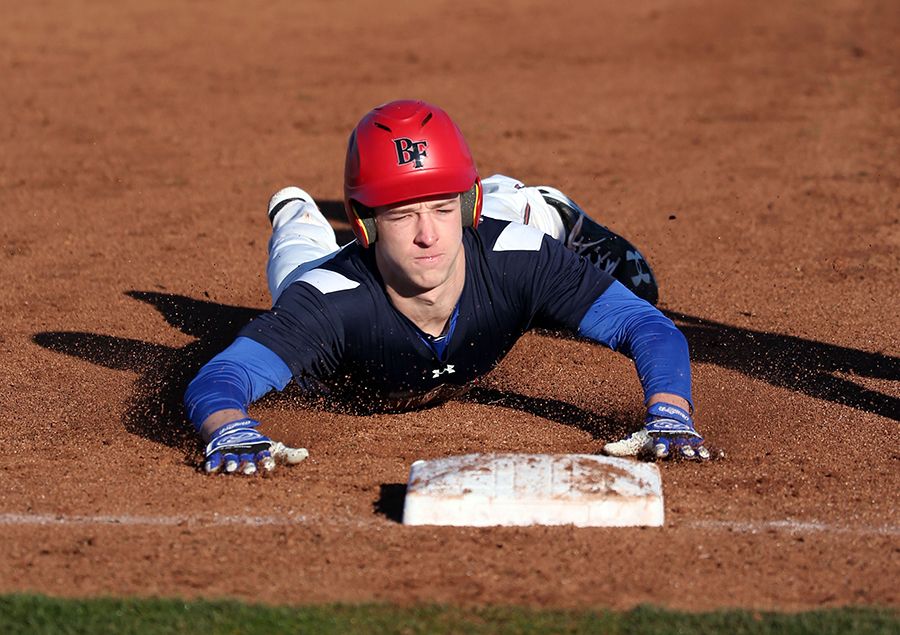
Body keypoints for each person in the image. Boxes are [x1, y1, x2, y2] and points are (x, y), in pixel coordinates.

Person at [184, 99, 710, 475]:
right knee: (297, 270)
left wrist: (670, 412)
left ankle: (543, 206)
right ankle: (295, 211)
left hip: (494, 234)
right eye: (400, 214)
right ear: (365, 222)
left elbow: (647, 325)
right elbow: (221, 378)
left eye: (442, 207)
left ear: (466, 205)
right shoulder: (327, 303)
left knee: (513, 224)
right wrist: (229, 428)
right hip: (328, 278)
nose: (426, 234)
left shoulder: (521, 261)